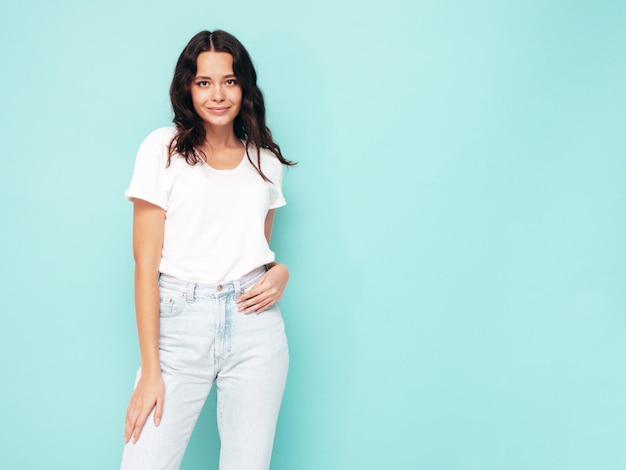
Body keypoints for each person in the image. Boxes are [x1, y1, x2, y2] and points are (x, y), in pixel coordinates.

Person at [120, 30, 295, 470]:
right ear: (188, 87)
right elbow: (145, 266)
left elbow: (256, 248)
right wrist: (151, 371)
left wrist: (280, 272)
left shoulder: (265, 160)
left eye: (230, 81)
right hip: (180, 323)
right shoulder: (162, 148)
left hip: (255, 327)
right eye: (204, 82)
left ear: (244, 87)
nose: (218, 94)